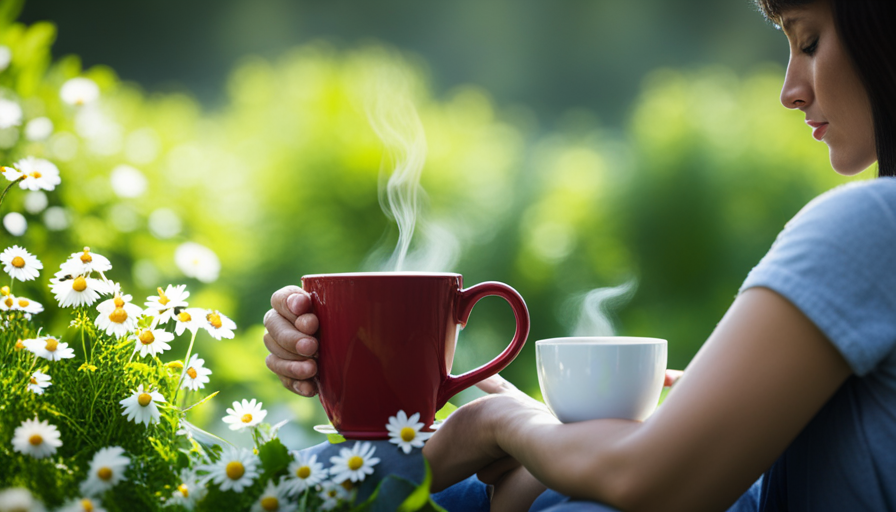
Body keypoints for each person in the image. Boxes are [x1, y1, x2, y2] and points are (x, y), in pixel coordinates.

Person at [262, 0, 896, 509]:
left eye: (808, 40)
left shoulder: (869, 225)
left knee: (313, 482)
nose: (789, 89)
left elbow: (655, 484)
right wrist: (537, 438)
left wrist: (497, 429)